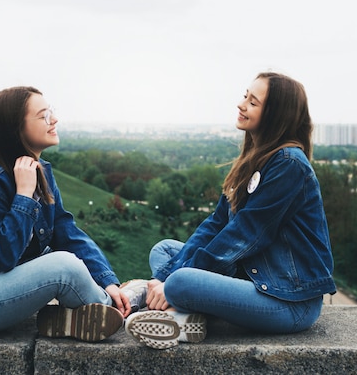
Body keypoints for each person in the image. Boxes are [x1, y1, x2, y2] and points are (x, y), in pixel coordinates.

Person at [125, 72, 337, 349]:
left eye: (253, 102)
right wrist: (164, 277)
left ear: (276, 115)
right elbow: (216, 225)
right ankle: (180, 310)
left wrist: (171, 279)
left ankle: (155, 297)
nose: (241, 104)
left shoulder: (289, 164)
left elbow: (244, 234)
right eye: (245, 96)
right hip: (253, 275)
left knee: (180, 281)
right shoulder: (255, 161)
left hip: (287, 301)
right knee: (164, 250)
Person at [0, 86, 134, 342]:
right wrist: (24, 195)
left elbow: (67, 232)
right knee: (64, 267)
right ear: (16, 128)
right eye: (43, 115)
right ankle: (123, 310)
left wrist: (108, 280)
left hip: (2, 289)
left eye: (51, 112)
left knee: (66, 258)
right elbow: (4, 255)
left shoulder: (41, 172)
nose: (54, 119)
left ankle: (90, 310)